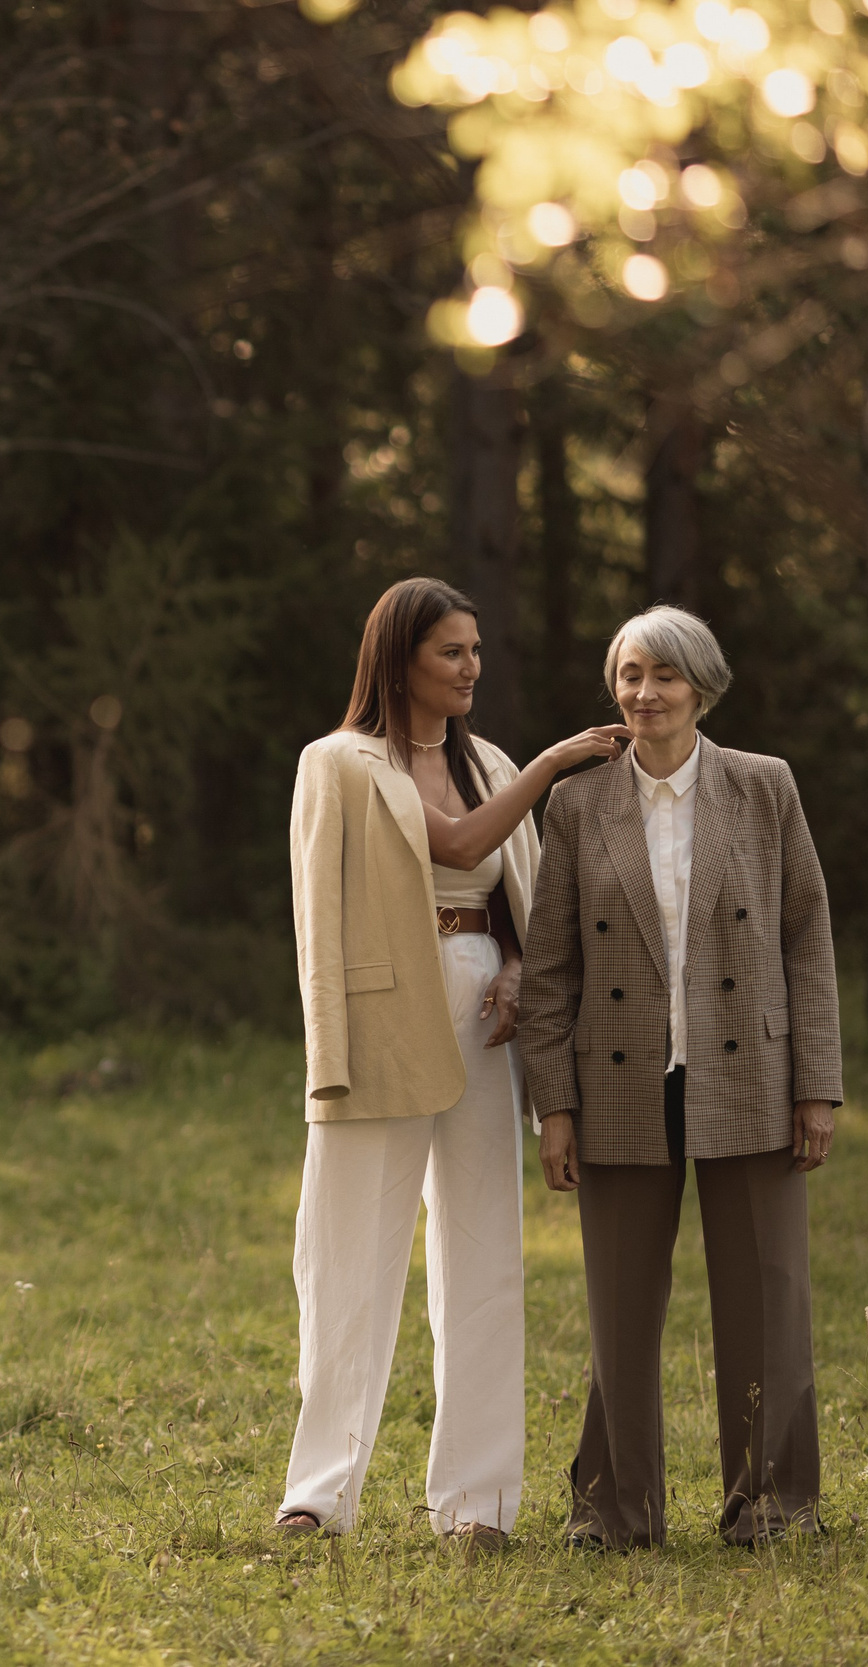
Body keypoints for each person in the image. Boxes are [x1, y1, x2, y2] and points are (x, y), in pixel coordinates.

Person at [278, 576, 627, 1543]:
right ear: (401, 659)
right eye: (452, 652)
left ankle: (479, 1504)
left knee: (483, 1253)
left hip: (483, 1017)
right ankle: (319, 1493)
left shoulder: (490, 762)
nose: (472, 667)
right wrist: (558, 761)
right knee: (350, 1256)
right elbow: (353, 900)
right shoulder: (338, 762)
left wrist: (516, 966)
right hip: (382, 1017)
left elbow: (523, 892)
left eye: (477, 650)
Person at [519, 606, 840, 1548]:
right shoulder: (577, 803)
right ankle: (616, 1511)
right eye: (628, 675)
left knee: (768, 1296)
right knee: (620, 1308)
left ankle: (772, 1504)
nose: (643, 693)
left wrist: (815, 1081)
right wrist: (554, 1104)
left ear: (701, 684)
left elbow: (808, 938)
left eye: (663, 675)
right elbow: (549, 967)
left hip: (751, 1073)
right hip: (616, 1079)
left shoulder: (763, 786)